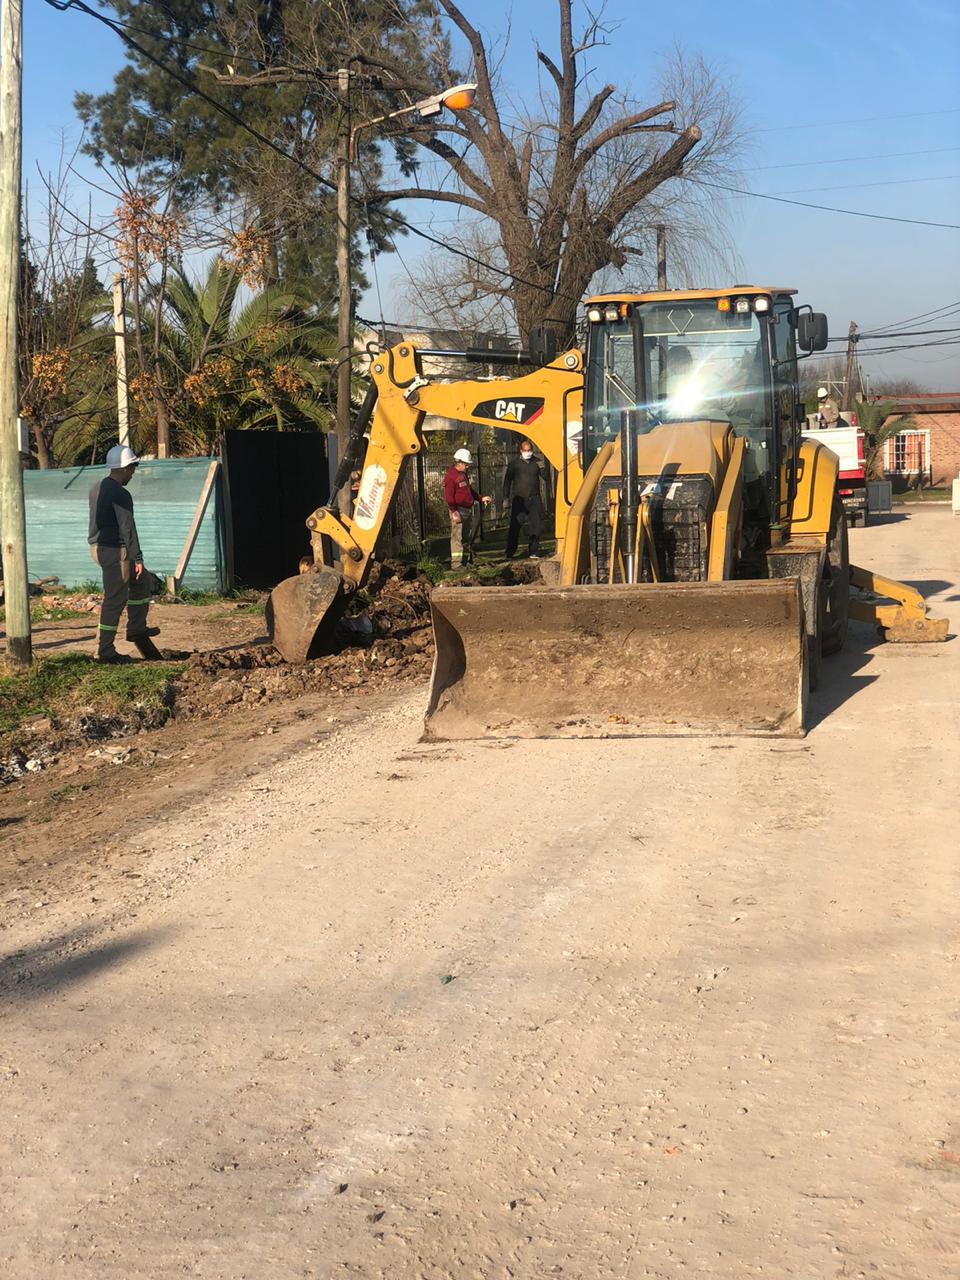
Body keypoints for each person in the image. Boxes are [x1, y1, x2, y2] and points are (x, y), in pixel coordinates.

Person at [88, 444, 160, 662]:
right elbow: (127, 527)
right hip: (115, 551)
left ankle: (136, 629)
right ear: (126, 468)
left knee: (142, 581)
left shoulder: (96, 487)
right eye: (133, 468)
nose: (133, 473)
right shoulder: (120, 494)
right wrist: (137, 557)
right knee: (115, 600)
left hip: (99, 547)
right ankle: (104, 652)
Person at [443, 447, 491, 568]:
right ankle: (456, 564)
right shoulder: (451, 476)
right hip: (458, 510)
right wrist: (454, 511)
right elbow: (448, 496)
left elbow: (469, 491)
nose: (468, 466)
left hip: (466, 509)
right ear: (459, 462)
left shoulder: (463, 475)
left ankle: (465, 561)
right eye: (466, 464)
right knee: (457, 538)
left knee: (466, 537)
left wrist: (480, 498)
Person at [503, 439, 546, 559]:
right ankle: (510, 552)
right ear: (521, 451)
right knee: (515, 526)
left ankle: (533, 551)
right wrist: (505, 498)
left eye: (530, 450)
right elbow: (507, 481)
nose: (528, 453)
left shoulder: (537, 462)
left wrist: (543, 468)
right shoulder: (514, 464)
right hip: (519, 499)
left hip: (534, 498)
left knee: (535, 526)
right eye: (525, 450)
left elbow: (546, 477)